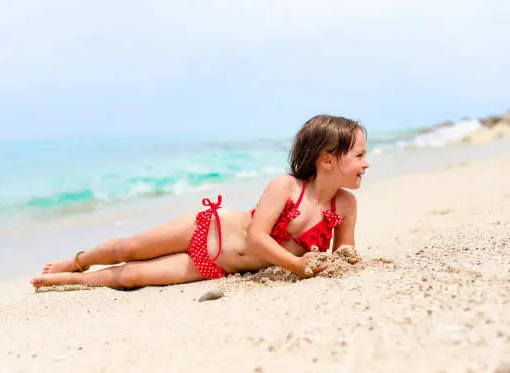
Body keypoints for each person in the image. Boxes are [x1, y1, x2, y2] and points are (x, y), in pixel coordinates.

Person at [30, 115, 369, 290]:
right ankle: (78, 262)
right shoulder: (286, 187)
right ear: (327, 161)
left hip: (219, 265)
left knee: (132, 277)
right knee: (128, 247)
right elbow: (257, 238)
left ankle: (73, 282)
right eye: (359, 155)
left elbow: (344, 253)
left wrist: (343, 263)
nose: (366, 163)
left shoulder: (345, 207)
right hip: (211, 231)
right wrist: (297, 267)